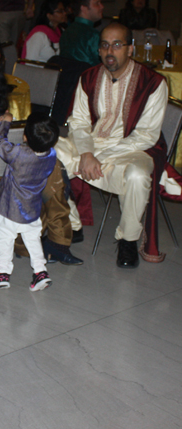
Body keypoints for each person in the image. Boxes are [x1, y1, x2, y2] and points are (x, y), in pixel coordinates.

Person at [0, 32, 83, 265]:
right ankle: (33, 243)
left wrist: (4, 120)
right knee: (36, 177)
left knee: (51, 167)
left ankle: (58, 242)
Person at [55, 22, 168, 268]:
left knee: (138, 176)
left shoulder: (153, 83)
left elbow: (147, 135)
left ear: (130, 49)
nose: (110, 51)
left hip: (131, 149)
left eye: (117, 45)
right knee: (45, 151)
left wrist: (98, 155)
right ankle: (72, 224)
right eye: (105, 45)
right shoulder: (88, 77)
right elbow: (79, 122)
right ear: (98, 50)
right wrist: (86, 152)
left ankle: (128, 240)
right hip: (90, 145)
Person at [0, 111, 58, 291]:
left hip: (9, 207)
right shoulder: (52, 155)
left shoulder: (18, 153)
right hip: (32, 208)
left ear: (25, 136)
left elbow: (0, 143)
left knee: (3, 238)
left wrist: (3, 124)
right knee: (33, 238)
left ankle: (3, 273)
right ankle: (40, 271)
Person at [59, 0, 103, 67]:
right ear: (84, 8)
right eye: (97, 3)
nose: (102, 6)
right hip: (88, 76)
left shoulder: (67, 31)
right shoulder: (93, 35)